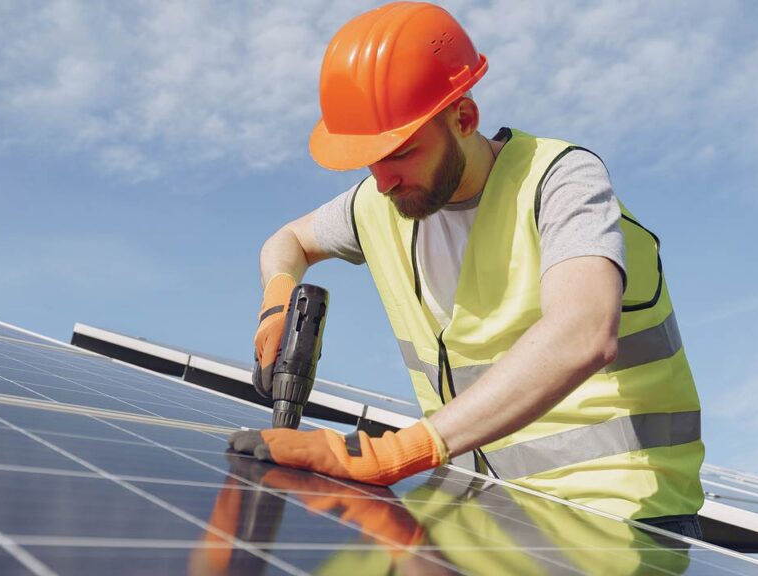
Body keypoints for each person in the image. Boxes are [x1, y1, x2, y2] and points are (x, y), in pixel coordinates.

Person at [229, 1, 705, 537]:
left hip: (622, 520)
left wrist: (399, 453)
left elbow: (583, 331)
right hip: (486, 517)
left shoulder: (560, 181)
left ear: (464, 118)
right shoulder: (379, 204)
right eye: (370, 159)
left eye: (401, 152)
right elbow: (287, 240)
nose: (383, 180)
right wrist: (277, 300)